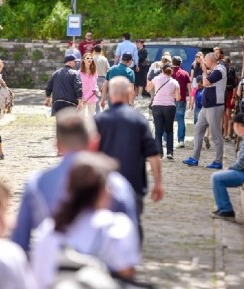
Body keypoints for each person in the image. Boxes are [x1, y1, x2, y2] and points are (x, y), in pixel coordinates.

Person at [11, 108, 138, 253]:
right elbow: (129, 243)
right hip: (101, 269)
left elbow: (20, 242)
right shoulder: (116, 184)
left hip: (54, 269)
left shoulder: (37, 184)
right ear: (94, 143)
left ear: (57, 145)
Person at [31, 152, 140, 288]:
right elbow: (126, 276)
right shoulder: (117, 227)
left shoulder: (48, 229)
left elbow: (38, 279)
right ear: (101, 191)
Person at [95, 76, 164, 240]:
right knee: (133, 222)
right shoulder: (139, 120)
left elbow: (89, 154)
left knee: (104, 222)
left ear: (111, 95)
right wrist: (158, 183)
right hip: (133, 182)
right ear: (129, 93)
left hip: (106, 183)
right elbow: (153, 155)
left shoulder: (99, 120)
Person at [183, 52, 227, 169]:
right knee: (198, 129)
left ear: (210, 61)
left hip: (215, 106)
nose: (204, 63)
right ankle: (194, 158)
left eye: (205, 61)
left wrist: (203, 71)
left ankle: (218, 161)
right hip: (206, 106)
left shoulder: (219, 70)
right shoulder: (214, 70)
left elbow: (206, 82)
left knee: (216, 135)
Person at [146, 63, 181, 160]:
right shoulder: (174, 82)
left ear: (162, 70)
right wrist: (172, 94)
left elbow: (148, 88)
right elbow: (178, 98)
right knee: (169, 130)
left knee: (158, 131)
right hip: (170, 106)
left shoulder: (156, 79)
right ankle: (170, 152)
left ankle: (159, 153)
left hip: (157, 106)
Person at [171, 56, 191, 148]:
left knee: (168, 120)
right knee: (181, 119)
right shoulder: (185, 73)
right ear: (181, 63)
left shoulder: (169, 72)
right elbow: (189, 88)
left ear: (172, 62)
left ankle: (166, 139)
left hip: (170, 99)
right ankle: (181, 140)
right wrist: (191, 98)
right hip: (182, 98)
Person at [223, 57, 238, 141]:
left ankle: (228, 134)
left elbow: (234, 85)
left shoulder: (231, 71)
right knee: (224, 115)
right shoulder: (222, 71)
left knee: (228, 115)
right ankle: (225, 133)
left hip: (229, 93)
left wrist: (233, 97)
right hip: (223, 93)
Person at [79, 52, 98, 118]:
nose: (89, 59)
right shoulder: (79, 73)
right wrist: (80, 98)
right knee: (81, 117)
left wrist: (96, 89)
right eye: (87, 58)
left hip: (92, 97)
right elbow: (77, 86)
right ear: (84, 60)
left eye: (91, 58)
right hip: (82, 98)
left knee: (92, 117)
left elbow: (95, 83)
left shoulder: (94, 72)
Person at [93, 44, 110, 113]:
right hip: (103, 79)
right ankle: (105, 111)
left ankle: (98, 112)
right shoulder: (104, 59)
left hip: (95, 79)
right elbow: (108, 69)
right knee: (105, 97)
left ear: (94, 50)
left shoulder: (92, 58)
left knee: (96, 97)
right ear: (101, 51)